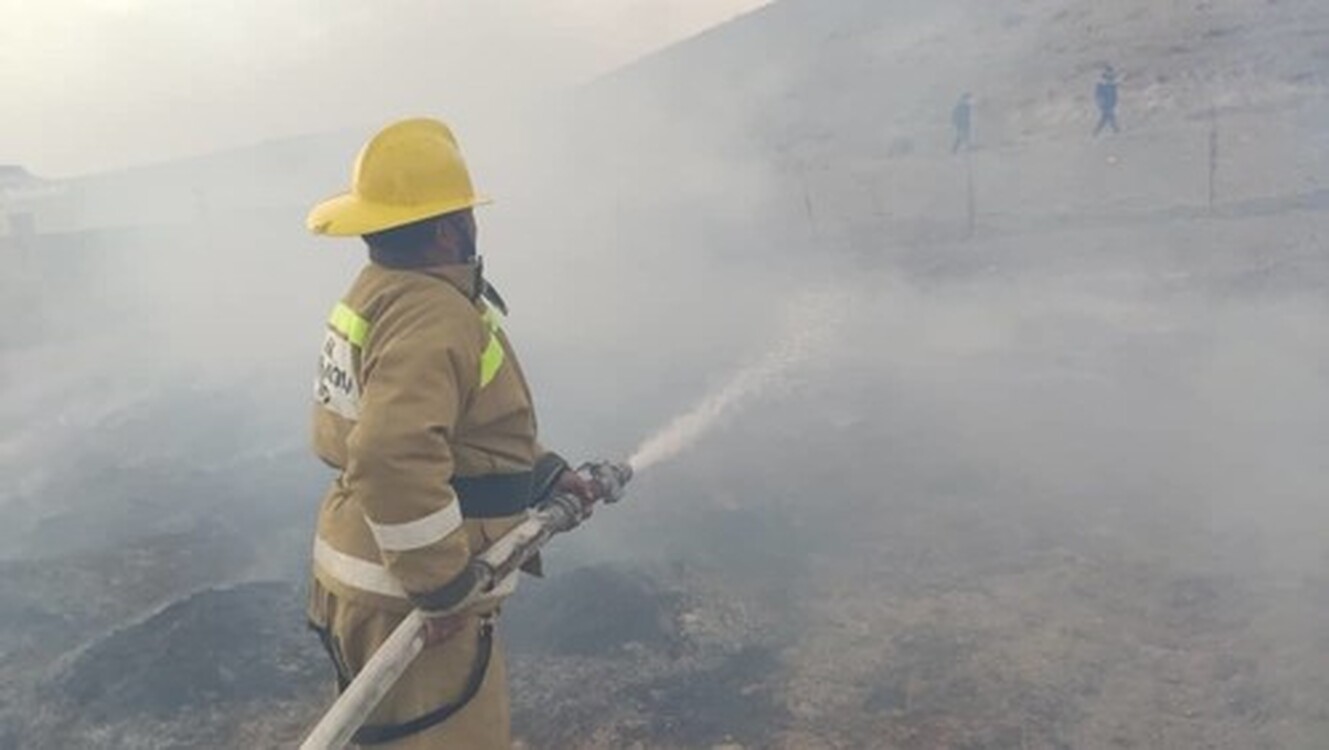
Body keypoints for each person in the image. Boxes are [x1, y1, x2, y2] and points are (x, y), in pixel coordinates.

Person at [304, 117, 600, 748]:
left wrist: (543, 473)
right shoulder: (433, 314)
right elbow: (391, 454)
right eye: (464, 210)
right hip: (405, 597)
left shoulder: (382, 293)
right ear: (447, 227)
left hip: (369, 573)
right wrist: (440, 587)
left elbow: (449, 426)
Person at [1094, 65, 1120, 136]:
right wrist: (1100, 102)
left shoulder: (1112, 82)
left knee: (1105, 118)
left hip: (1110, 103)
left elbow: (1114, 93)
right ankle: (1116, 130)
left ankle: (1096, 132)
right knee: (1109, 116)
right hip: (1105, 103)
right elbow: (1098, 94)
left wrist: (1114, 102)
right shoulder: (1102, 82)